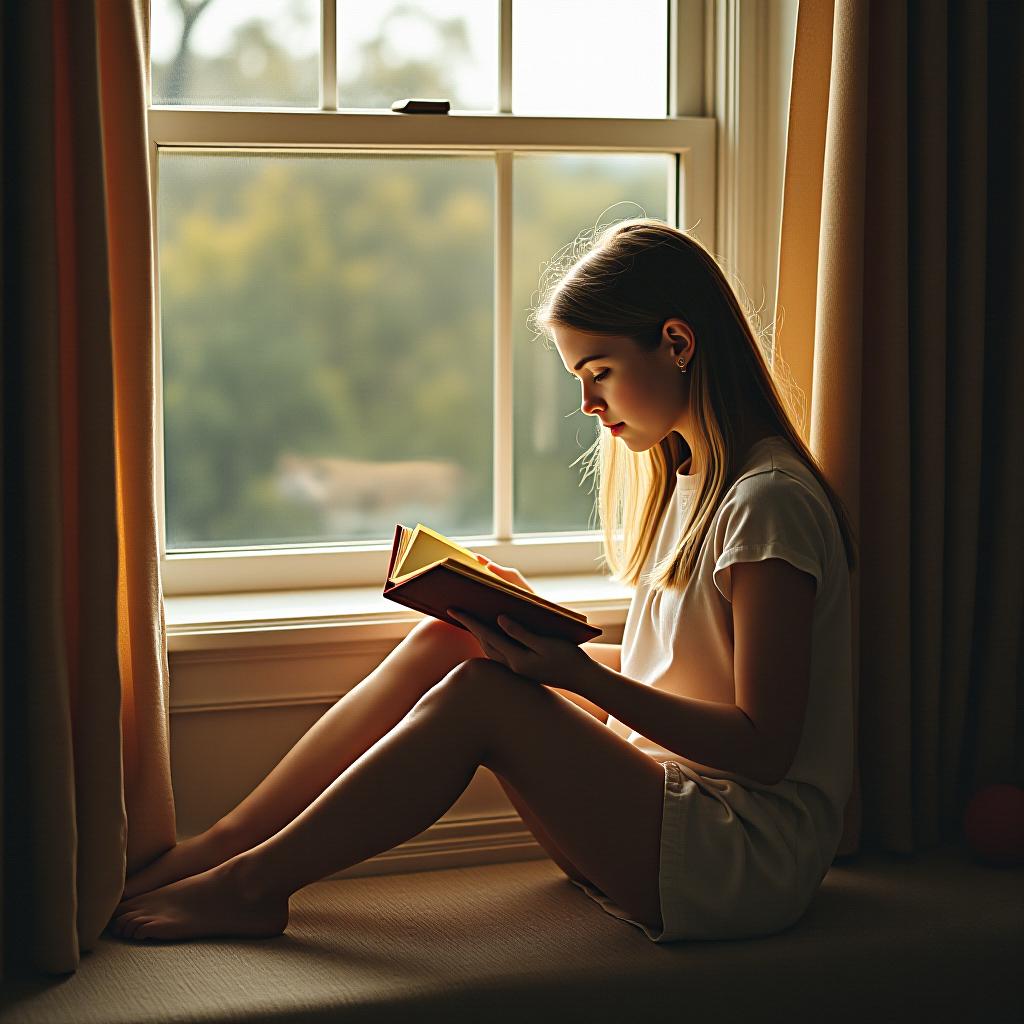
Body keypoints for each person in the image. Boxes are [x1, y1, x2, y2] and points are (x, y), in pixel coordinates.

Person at [109, 218, 857, 944]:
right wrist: (524, 623)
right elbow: (688, 681)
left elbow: (764, 748)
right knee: (455, 637)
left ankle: (252, 887)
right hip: (661, 807)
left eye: (599, 373)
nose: (590, 405)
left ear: (677, 342)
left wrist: (577, 678)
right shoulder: (694, 478)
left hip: (742, 858)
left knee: (482, 696)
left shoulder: (769, 504)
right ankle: (227, 844)